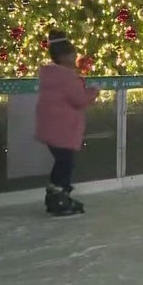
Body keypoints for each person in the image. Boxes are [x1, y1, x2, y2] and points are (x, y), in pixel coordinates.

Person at [35, 30, 101, 217]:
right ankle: (59, 196)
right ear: (64, 56)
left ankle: (55, 194)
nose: (75, 59)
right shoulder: (67, 77)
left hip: (51, 128)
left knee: (63, 162)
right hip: (62, 130)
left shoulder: (51, 75)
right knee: (66, 163)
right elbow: (79, 99)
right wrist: (94, 91)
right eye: (72, 55)